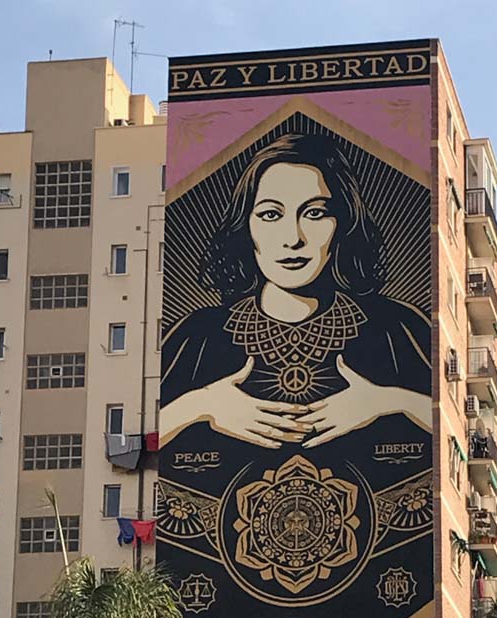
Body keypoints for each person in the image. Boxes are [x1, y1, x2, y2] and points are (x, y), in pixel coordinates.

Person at [159, 132, 431, 454]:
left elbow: (453, 428)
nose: (293, 238)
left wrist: (388, 401)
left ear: (342, 223)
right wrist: (202, 404)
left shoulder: (395, 327)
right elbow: (144, 442)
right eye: (271, 214)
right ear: (246, 227)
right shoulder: (200, 335)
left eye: (314, 213)